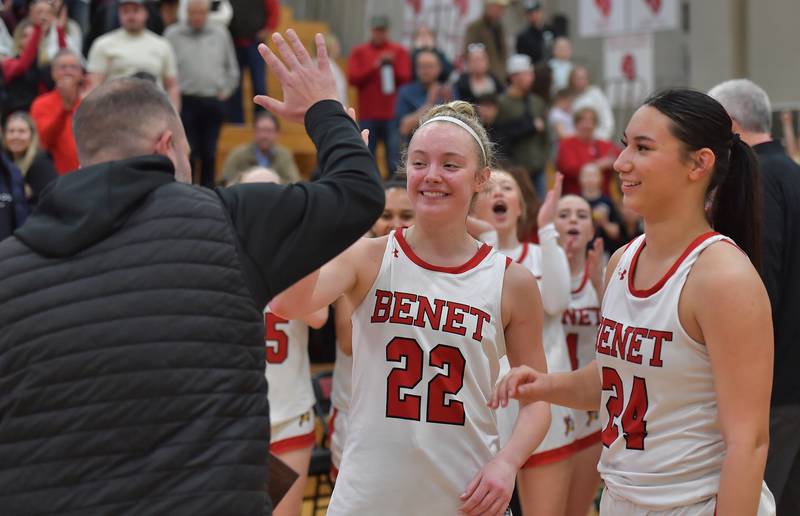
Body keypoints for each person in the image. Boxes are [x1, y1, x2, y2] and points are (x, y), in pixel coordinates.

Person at [0, 30, 385, 514]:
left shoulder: (9, 268)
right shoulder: (228, 219)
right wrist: (324, 111)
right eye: (184, 150)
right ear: (166, 146)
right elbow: (359, 192)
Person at [492, 89, 776, 515]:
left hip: (694, 504)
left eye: (643, 148)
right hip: (622, 499)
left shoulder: (723, 278)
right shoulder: (623, 260)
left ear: (699, 163)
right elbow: (614, 378)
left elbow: (748, 443)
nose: (621, 162)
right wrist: (544, 384)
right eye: (625, 144)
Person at [269, 100, 552, 516]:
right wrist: (332, 197)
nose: (432, 176)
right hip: (368, 499)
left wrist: (508, 461)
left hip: (466, 498)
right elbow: (286, 303)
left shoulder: (513, 281)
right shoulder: (368, 258)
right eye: (420, 163)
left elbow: (539, 400)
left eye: (450, 165)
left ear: (482, 178)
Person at [709, 79, 800, 514]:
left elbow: (761, 284)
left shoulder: (758, 179)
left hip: (773, 386)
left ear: (730, 125)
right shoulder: (793, 172)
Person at [473, 170, 574, 515]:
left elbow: (558, 301)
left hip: (542, 406)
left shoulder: (540, 251)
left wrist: (547, 227)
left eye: (507, 188)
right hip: (488, 410)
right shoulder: (469, 260)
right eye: (489, 188)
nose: (498, 192)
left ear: (519, 206)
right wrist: (486, 237)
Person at [328, 178, 416, 481]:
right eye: (385, 215)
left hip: (410, 418)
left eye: (406, 216)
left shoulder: (432, 268)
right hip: (356, 414)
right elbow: (347, 340)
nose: (394, 224)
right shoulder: (355, 259)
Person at [555, 194, 605, 516]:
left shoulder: (609, 268)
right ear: (550, 225)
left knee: (577, 508)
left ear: (591, 231)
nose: (573, 220)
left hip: (590, 409)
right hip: (551, 404)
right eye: (565, 214)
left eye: (582, 215)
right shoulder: (533, 268)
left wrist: (602, 288)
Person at [165, 0, 239, 186]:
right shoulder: (172, 34)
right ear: (186, 12)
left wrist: (226, 91)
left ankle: (208, 194)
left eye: (201, 13)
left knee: (210, 152)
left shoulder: (221, 33)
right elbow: (165, 69)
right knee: (187, 150)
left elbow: (232, 69)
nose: (197, 17)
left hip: (213, 101)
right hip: (185, 102)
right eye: (193, 13)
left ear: (207, 13)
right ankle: (185, 192)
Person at [347, 15, 411, 175]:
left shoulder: (398, 51)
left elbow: (406, 78)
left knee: (394, 158)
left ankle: (395, 191)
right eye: (376, 30)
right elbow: (353, 78)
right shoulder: (359, 52)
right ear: (371, 30)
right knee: (367, 156)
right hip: (368, 114)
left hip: (392, 114)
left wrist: (391, 64)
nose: (379, 34)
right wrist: (375, 65)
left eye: (382, 30)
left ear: (387, 31)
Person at [86, 0, 180, 109]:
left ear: (146, 13)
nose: (131, 16)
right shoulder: (103, 44)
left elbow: (172, 86)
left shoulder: (162, 45)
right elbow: (94, 85)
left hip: (154, 111)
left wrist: (174, 115)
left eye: (136, 11)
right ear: (119, 14)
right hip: (115, 110)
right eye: (126, 11)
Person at [494, 53, 549, 198]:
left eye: (530, 74)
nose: (530, 78)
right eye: (525, 74)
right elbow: (501, 135)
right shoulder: (502, 103)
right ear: (513, 77)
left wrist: (544, 159)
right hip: (515, 167)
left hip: (537, 168)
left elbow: (546, 134)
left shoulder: (537, 102)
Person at [29, 48, 83, 174]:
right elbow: (44, 141)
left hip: (86, 171)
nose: (68, 71)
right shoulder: (41, 103)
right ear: (53, 73)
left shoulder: (90, 102)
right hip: (54, 174)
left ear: (81, 73)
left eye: (73, 67)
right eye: (63, 67)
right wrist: (65, 109)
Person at [226, 0, 280, 123]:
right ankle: (236, 123)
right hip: (233, 44)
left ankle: (261, 121)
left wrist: (267, 29)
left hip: (255, 44)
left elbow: (274, 11)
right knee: (235, 87)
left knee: (259, 86)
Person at [220, 111, 300, 185]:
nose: (264, 136)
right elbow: (226, 180)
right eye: (260, 130)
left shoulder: (284, 155)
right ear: (254, 132)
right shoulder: (239, 153)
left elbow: (293, 181)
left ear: (277, 133)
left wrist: (273, 180)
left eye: (269, 131)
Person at [395, 49, 452, 150]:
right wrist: (430, 103)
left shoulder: (448, 90)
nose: (425, 71)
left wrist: (449, 101)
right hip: (414, 146)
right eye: (421, 66)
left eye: (429, 66)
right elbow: (404, 127)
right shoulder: (405, 92)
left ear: (439, 68)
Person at [556, 106, 619, 196]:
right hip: (575, 196)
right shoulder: (567, 144)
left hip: (603, 198)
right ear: (576, 123)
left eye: (592, 121)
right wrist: (600, 165)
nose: (588, 125)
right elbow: (570, 168)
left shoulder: (605, 145)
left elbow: (619, 159)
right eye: (583, 121)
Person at [2, 111, 58, 208]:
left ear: (32, 136)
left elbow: (50, 202)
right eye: (11, 131)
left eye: (21, 131)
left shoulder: (40, 162)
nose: (15, 136)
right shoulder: (4, 162)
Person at [579, 162, 622, 254]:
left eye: (593, 176)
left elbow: (616, 232)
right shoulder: (576, 202)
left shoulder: (608, 202)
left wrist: (604, 222)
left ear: (601, 179)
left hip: (604, 251)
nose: (590, 179)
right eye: (586, 176)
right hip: (580, 251)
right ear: (580, 179)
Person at [463, 0, 509, 84]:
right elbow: (468, 52)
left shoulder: (499, 27)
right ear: (489, 7)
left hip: (499, 79)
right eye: (499, 8)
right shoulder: (475, 28)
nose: (501, 12)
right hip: (482, 79)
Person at [569, 65, 615, 141]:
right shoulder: (567, 97)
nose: (582, 81)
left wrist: (602, 137)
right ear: (572, 80)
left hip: (597, 138)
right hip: (575, 140)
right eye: (578, 78)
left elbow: (607, 119)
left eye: (584, 78)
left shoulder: (596, 93)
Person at [515, 0, 549, 65]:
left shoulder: (550, 30)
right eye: (531, 13)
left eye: (536, 11)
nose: (534, 15)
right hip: (533, 69)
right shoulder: (523, 37)